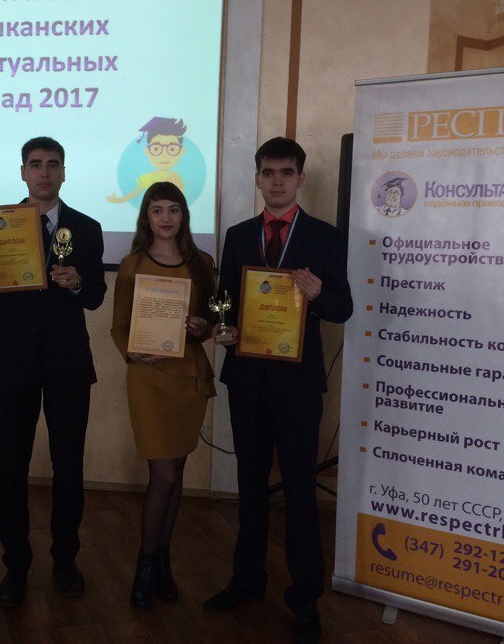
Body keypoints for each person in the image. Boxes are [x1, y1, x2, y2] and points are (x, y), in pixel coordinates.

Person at [204, 138, 353, 644]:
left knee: (299, 490)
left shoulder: (325, 237)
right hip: (247, 379)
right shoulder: (238, 235)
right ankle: (247, 581)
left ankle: (305, 599)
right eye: (268, 173)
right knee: (249, 484)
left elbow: (342, 308)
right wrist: (223, 329)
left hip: (297, 386)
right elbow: (225, 300)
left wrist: (319, 293)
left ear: (301, 179)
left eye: (286, 173)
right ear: (257, 178)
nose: (277, 182)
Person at [0, 136, 107, 608]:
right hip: (13, 364)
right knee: (12, 468)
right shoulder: (0, 227)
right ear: (23, 172)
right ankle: (16, 565)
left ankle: (66, 560)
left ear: (63, 172)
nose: (44, 172)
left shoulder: (86, 228)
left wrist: (79, 283)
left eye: (52, 164)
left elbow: (95, 297)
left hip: (68, 363)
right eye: (35, 164)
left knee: (69, 466)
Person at [110, 182, 216, 610]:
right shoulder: (131, 265)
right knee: (164, 477)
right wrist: (132, 351)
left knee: (177, 475)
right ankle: (146, 563)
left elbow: (210, 322)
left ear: (184, 215)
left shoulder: (202, 263)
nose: (166, 218)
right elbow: (119, 327)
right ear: (146, 217)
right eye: (157, 210)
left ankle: (163, 561)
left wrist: (202, 328)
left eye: (174, 209)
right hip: (148, 380)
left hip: (186, 379)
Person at [107, 117, 187, 203]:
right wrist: (121, 200)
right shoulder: (150, 177)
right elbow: (136, 192)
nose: (164, 155)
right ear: (147, 151)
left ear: (181, 151)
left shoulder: (174, 177)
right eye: (156, 149)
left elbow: (181, 197)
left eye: (172, 149)